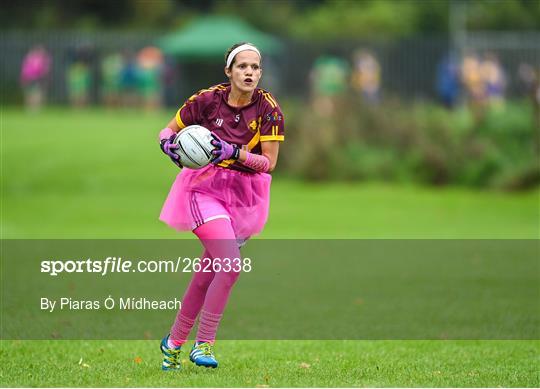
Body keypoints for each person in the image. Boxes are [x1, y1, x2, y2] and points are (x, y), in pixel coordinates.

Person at [158, 42, 284, 370]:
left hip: (244, 198)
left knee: (206, 275)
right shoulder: (207, 99)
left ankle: (172, 343)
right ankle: (205, 345)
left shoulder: (269, 108)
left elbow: (268, 163)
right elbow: (167, 131)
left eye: (255, 67)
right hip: (204, 189)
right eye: (242, 66)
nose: (250, 73)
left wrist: (234, 152)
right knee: (230, 265)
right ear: (229, 71)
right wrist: (168, 146)